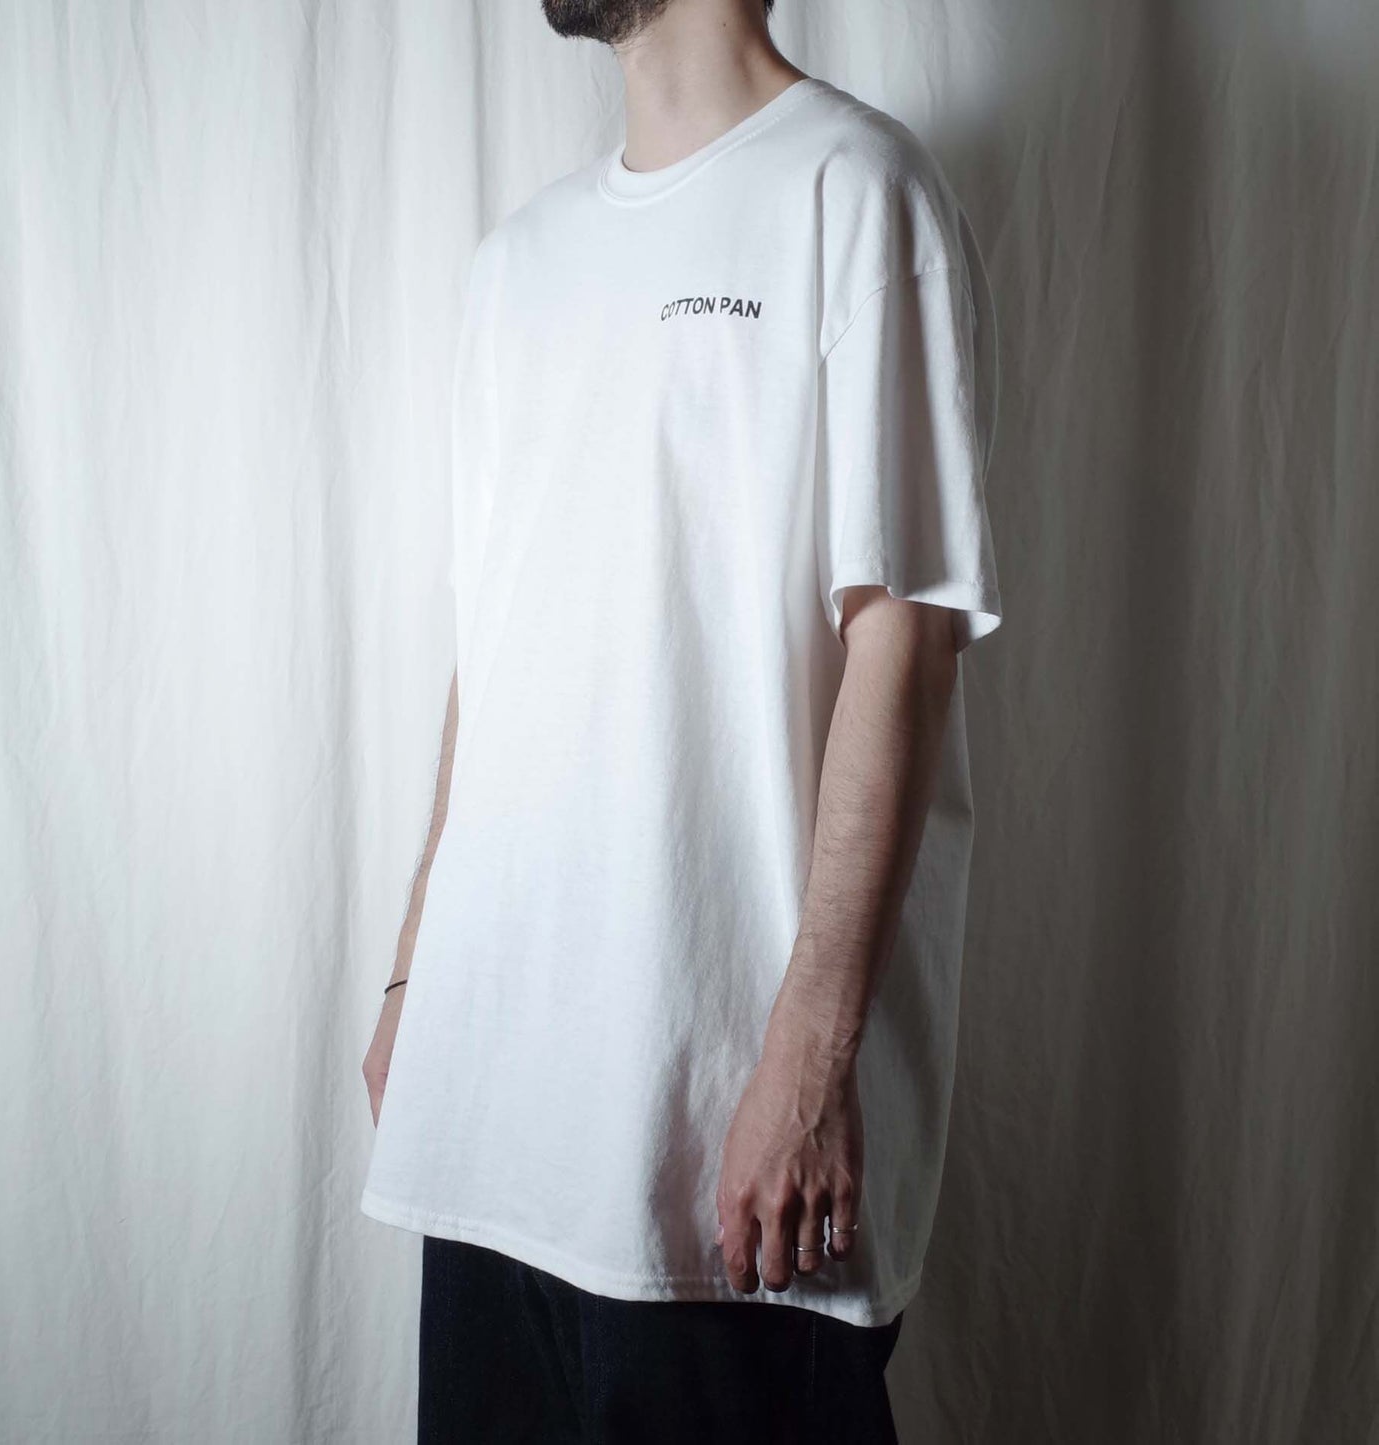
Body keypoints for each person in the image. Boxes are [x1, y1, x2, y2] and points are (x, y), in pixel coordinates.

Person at [361, 0, 1003, 1437]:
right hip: (490, 1112)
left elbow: (902, 640)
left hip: (721, 1141)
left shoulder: (855, 190)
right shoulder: (516, 265)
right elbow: (493, 659)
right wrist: (413, 983)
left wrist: (808, 1066)